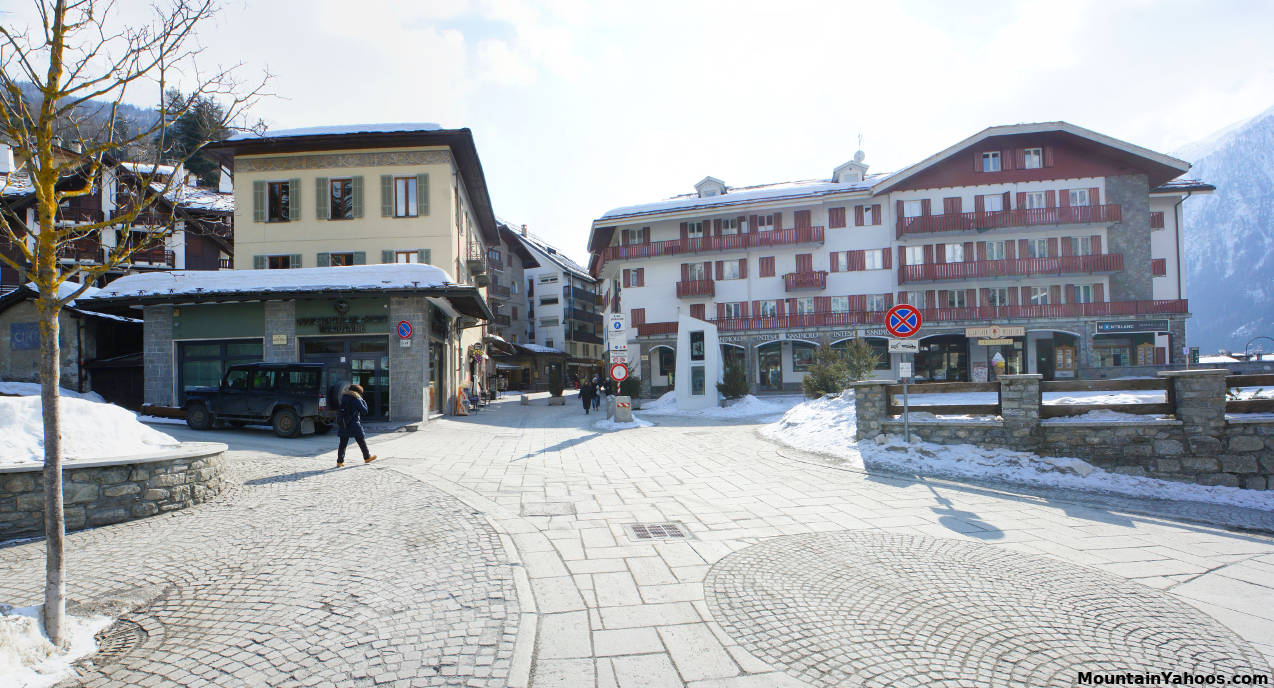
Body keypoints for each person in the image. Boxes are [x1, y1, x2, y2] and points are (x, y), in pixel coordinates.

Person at [336, 383, 376, 467]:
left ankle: (340, 462)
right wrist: (363, 401)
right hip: (354, 424)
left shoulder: (344, 397)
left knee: (342, 444)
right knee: (361, 441)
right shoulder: (356, 399)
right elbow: (364, 411)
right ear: (358, 392)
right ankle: (367, 457)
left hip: (344, 423)